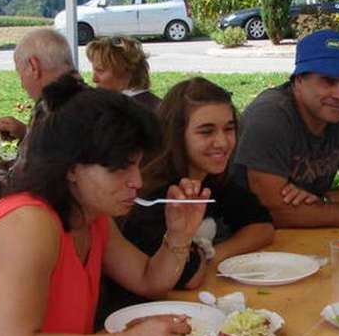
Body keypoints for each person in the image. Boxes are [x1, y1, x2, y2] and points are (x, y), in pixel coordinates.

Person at [0, 77, 211, 336]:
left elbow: (148, 280)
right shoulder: (30, 224)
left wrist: (178, 235)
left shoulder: (91, 215)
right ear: (71, 169)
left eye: (137, 166)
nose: (137, 182)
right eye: (119, 170)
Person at [101, 78, 274, 317]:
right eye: (207, 131)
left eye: (229, 128)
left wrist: (212, 255)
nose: (222, 142)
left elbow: (262, 225)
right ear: (176, 134)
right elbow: (189, 276)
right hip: (137, 318)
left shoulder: (210, 178)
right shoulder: (152, 193)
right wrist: (199, 259)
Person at [231, 29, 339, 228]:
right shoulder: (270, 116)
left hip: (297, 236)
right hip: (240, 234)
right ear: (299, 80)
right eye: (329, 81)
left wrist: (322, 201)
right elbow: (272, 211)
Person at [0, 27, 76, 147]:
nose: (22, 85)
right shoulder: (90, 102)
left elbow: (49, 155)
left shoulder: (57, 107)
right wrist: (24, 132)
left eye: (20, 73)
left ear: (34, 66)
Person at [87, 36, 162, 112]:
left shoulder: (121, 113)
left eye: (100, 70)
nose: (94, 79)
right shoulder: (160, 105)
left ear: (126, 70)